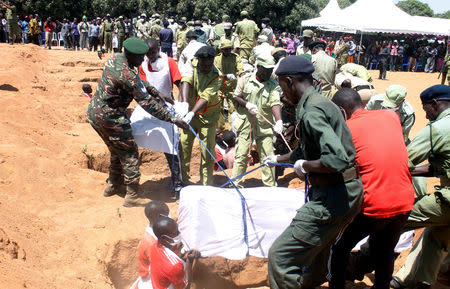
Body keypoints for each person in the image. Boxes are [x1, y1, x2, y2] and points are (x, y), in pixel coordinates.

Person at [265, 55, 363, 289]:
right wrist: (279, 159)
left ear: (289, 81)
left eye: (281, 85)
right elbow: (308, 149)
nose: (281, 93)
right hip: (346, 192)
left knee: (281, 258)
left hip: (333, 196)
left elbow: (336, 159)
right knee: (318, 255)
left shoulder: (311, 111)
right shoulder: (319, 102)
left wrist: (306, 166)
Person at [86, 37, 187, 207]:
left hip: (94, 114)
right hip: (112, 118)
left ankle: (112, 185)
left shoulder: (115, 59)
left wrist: (156, 91)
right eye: (140, 57)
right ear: (132, 55)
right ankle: (132, 194)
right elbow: (147, 103)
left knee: (116, 149)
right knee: (129, 153)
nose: (143, 60)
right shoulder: (129, 76)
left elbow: (139, 81)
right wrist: (172, 119)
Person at [329, 88, 414, 289]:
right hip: (404, 201)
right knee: (385, 249)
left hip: (374, 206)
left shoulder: (345, 129)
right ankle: (382, 285)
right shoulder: (390, 116)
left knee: (338, 248)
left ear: (341, 111)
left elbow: (337, 166)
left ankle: (336, 284)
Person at [390, 84, 450, 289]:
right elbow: (437, 167)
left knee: (391, 218)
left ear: (434, 104)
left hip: (448, 201)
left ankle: (362, 262)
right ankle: (421, 283)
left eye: (426, 110)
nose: (426, 116)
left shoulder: (437, 129)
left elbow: (404, 160)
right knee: (435, 238)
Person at [138, 38, 185, 198]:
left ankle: (178, 184)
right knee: (133, 133)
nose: (150, 56)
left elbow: (179, 82)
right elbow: (143, 85)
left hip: (166, 107)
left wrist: (182, 103)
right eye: (147, 53)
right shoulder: (142, 64)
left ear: (158, 49)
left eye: (152, 52)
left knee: (171, 145)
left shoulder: (169, 62)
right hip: (148, 106)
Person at [231, 55, 282, 187]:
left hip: (265, 126)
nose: (269, 73)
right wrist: (246, 104)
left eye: (271, 70)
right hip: (246, 123)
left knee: (268, 155)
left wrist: (279, 121)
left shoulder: (273, 84)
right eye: (266, 70)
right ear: (259, 67)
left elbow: (275, 103)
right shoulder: (245, 80)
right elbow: (236, 96)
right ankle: (235, 184)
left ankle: (269, 185)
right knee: (241, 155)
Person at [179, 46, 224, 186]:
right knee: (184, 148)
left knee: (207, 153)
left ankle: (206, 185)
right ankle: (183, 181)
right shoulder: (191, 64)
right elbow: (186, 81)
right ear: (198, 61)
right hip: (189, 117)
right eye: (203, 64)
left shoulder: (217, 76)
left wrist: (192, 112)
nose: (205, 67)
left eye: (209, 65)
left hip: (208, 118)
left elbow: (205, 97)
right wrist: (185, 105)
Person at [149, 216, 201, 289]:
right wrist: (189, 261)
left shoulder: (155, 245)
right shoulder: (175, 266)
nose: (180, 233)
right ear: (164, 238)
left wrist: (183, 256)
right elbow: (186, 287)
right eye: (176, 233)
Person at [135, 201, 170, 289]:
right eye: (167, 215)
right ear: (159, 217)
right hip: (151, 282)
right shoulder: (152, 243)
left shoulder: (155, 227)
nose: (169, 218)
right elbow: (163, 268)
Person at [214, 39, 244, 131]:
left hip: (232, 87)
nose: (227, 51)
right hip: (220, 86)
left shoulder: (236, 57)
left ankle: (233, 130)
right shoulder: (217, 59)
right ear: (221, 49)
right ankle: (221, 129)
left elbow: (240, 69)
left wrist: (242, 76)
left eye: (229, 49)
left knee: (233, 109)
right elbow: (215, 73)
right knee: (219, 109)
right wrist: (225, 76)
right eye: (225, 49)